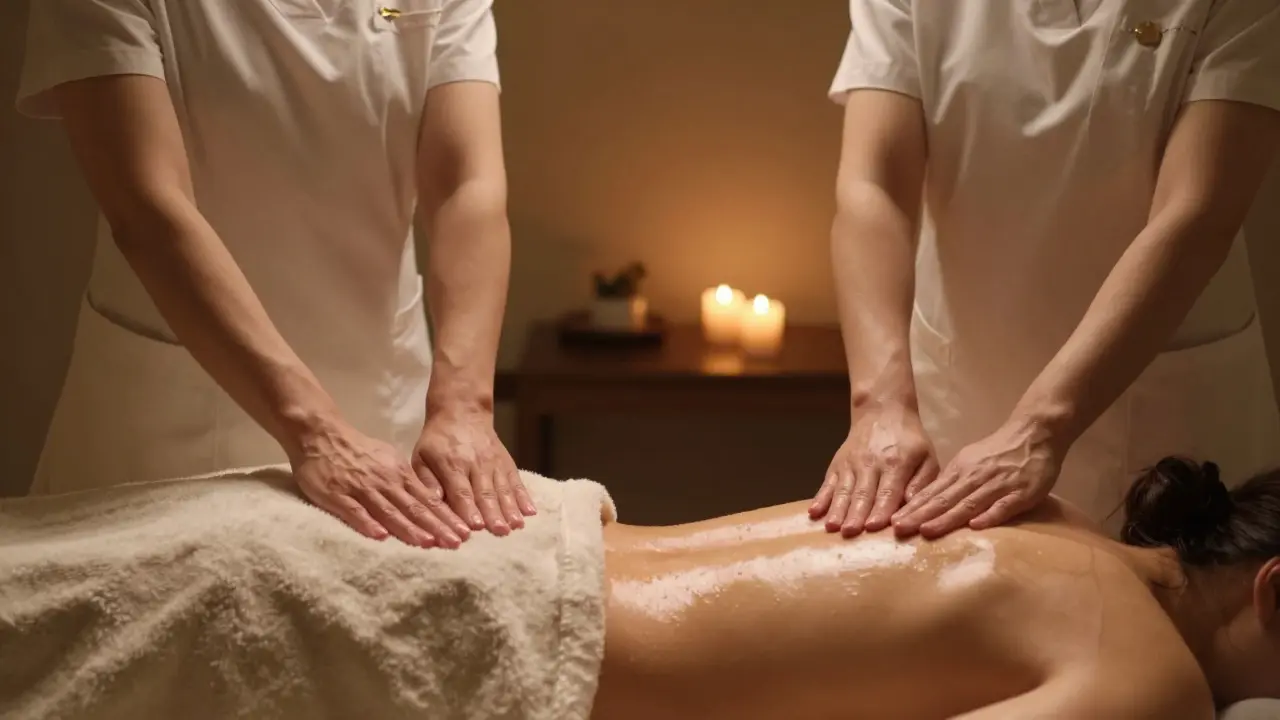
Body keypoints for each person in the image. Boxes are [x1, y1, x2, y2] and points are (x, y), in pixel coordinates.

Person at [5, 457, 1280, 718]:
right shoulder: (1149, 685)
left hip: (497, 536)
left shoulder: (1053, 517)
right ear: (1271, 594)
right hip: (488, 636)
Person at [15, 0, 535, 547]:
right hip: (176, 424)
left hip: (386, 401)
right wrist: (314, 432)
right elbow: (148, 206)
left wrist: (464, 405)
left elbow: (465, 188)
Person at [812, 0, 1280, 540]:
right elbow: (875, 187)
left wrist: (1041, 425)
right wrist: (879, 404)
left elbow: (1196, 215)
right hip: (963, 391)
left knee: (1171, 610)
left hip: (1162, 411)